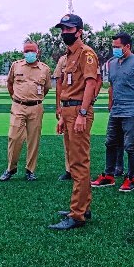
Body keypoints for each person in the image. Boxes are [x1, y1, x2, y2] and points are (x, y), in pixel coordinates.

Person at [49, 14, 99, 230]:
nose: (64, 33)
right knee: (74, 159)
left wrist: (82, 113)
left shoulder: (86, 54)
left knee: (79, 163)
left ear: (79, 31)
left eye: (69, 29)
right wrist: (62, 116)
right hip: (69, 111)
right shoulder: (68, 56)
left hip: (79, 110)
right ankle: (82, 207)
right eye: (63, 29)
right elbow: (66, 87)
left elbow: (90, 84)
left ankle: (77, 214)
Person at [91, 32, 134, 192]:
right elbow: (111, 85)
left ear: (127, 46)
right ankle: (109, 175)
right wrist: (110, 103)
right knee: (110, 142)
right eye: (113, 47)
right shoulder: (112, 63)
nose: (114, 49)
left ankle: (131, 177)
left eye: (117, 47)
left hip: (132, 111)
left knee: (130, 145)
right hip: (116, 110)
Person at [0, 40, 52, 181]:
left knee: (33, 140)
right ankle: (11, 168)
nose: (29, 53)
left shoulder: (45, 69)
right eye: (26, 51)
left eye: (32, 51)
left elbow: (46, 88)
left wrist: (36, 99)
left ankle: (30, 170)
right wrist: (16, 98)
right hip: (18, 106)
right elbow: (10, 83)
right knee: (14, 137)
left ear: (37, 52)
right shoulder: (16, 66)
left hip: (36, 107)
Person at [55, 55, 102, 181]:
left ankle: (82, 175)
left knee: (80, 143)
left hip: (81, 105)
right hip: (67, 106)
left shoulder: (87, 56)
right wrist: (59, 106)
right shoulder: (63, 59)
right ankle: (69, 170)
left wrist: (92, 98)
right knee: (68, 141)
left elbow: (96, 80)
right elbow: (60, 83)